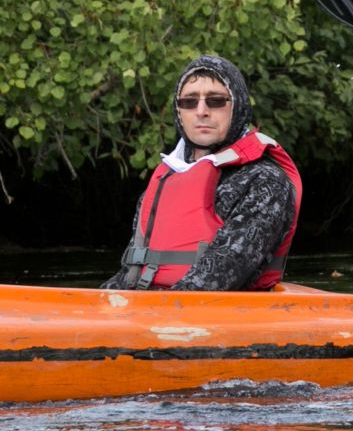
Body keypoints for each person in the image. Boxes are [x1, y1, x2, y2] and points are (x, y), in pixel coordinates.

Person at [102, 54, 301, 291]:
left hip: (214, 309)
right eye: (189, 101)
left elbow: (220, 273)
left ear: (237, 106)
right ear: (179, 112)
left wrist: (155, 308)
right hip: (154, 305)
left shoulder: (265, 182)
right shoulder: (166, 179)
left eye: (215, 101)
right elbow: (128, 275)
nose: (201, 111)